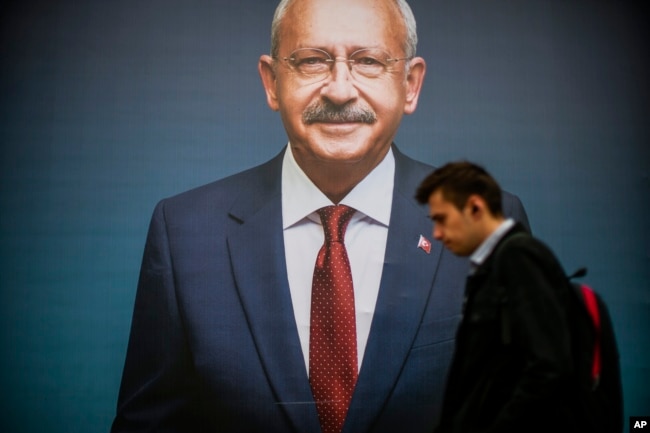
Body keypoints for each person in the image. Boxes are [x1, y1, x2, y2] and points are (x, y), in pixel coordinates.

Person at [111, 2, 530, 433]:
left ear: (410, 84)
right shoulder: (184, 233)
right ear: (272, 82)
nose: (340, 91)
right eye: (312, 61)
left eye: (368, 61)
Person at [415, 161, 580, 433]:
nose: (437, 234)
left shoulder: (518, 257)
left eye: (442, 219)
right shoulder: (495, 265)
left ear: (475, 208)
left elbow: (548, 366)